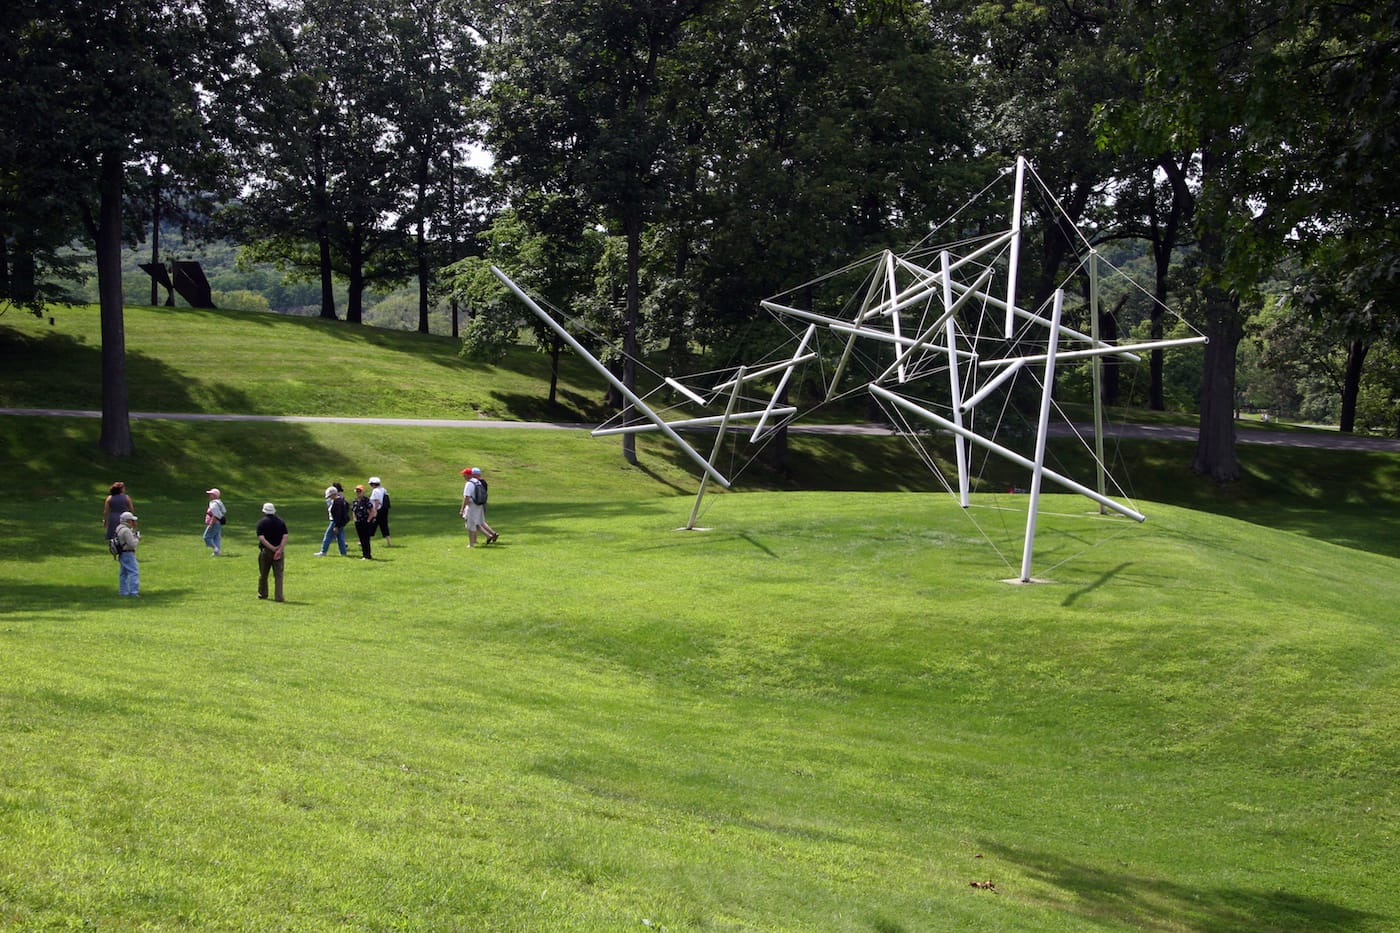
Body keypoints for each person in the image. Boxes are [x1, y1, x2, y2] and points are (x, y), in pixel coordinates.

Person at [255, 502, 289, 602]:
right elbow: (285, 536)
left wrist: (272, 548)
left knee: (263, 574)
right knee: (278, 575)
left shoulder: (261, 523)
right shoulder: (281, 522)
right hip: (279, 551)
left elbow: (261, 538)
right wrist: (279, 549)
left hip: (266, 551)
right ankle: (279, 596)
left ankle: (263, 593)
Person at [460, 466, 499, 548]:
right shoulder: (477, 482)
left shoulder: (469, 484)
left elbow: (466, 497)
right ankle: (488, 536)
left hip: (472, 506)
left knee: (471, 525)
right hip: (479, 505)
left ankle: (471, 544)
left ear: (468, 475)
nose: (463, 476)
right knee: (478, 523)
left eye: (464, 474)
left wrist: (462, 509)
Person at [315, 484, 350, 557]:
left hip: (335, 522)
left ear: (334, 494)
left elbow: (338, 515)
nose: (329, 497)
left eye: (330, 496)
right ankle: (343, 553)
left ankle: (323, 551)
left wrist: (336, 526)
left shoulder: (337, 503)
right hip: (339, 522)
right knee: (340, 538)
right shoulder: (340, 501)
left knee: (327, 536)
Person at [114, 511, 141, 596]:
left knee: (123, 573)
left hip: (122, 553)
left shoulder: (119, 528)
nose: (133, 522)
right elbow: (132, 544)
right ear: (128, 521)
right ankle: (134, 592)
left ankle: (123, 592)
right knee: (134, 572)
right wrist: (137, 538)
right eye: (132, 520)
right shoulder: (126, 530)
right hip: (128, 553)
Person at [350, 484, 376, 560]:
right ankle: (364, 554)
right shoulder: (355, 501)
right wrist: (354, 519)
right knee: (361, 539)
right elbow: (353, 511)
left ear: (362, 492)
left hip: (365, 521)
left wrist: (368, 519)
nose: (358, 493)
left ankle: (367, 555)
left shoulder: (366, 500)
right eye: (357, 491)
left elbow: (372, 511)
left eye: (359, 491)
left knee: (366, 539)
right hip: (358, 522)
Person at [367, 476, 391, 547]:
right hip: (384, 510)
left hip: (377, 510)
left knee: (371, 525)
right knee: (384, 525)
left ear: (373, 484)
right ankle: (389, 542)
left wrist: (375, 511)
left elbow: (377, 501)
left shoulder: (375, 491)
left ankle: (366, 541)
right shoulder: (383, 489)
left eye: (371, 484)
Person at [203, 487, 226, 556]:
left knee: (206, 537)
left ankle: (215, 549)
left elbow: (215, 515)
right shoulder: (218, 503)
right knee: (216, 538)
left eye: (211, 494)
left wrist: (211, 523)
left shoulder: (214, 504)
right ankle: (217, 553)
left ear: (215, 495)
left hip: (214, 522)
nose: (209, 495)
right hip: (218, 523)